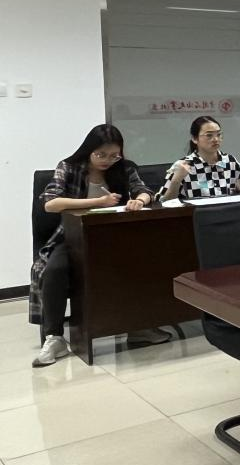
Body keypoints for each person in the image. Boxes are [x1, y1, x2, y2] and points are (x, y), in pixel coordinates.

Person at [30, 125, 166, 367]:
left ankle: (138, 328)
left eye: (114, 155)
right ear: (89, 150)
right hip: (72, 239)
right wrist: (98, 201)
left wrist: (139, 200)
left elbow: (145, 190)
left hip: (112, 237)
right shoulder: (69, 167)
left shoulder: (125, 168)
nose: (107, 160)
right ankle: (55, 338)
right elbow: (50, 203)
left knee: (140, 263)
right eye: (101, 154)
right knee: (54, 270)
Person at [161, 116, 240, 201]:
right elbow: (163, 202)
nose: (216, 139)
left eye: (218, 134)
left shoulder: (230, 161)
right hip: (197, 214)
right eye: (209, 135)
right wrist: (176, 180)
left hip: (227, 212)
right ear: (195, 139)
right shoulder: (184, 165)